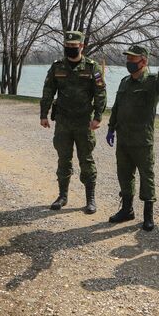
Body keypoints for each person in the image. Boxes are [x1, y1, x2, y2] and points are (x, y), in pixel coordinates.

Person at [106, 45, 159, 231]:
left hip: (142, 140)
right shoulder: (124, 81)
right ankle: (127, 210)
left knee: (146, 176)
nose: (129, 62)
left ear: (143, 61)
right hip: (123, 138)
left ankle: (148, 216)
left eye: (133, 59)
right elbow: (117, 106)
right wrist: (111, 128)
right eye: (128, 59)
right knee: (124, 175)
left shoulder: (152, 82)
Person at [39, 31, 107, 214]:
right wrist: (43, 114)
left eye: (73, 46)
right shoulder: (57, 66)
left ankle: (90, 199)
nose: (70, 49)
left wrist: (98, 117)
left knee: (86, 160)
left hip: (84, 122)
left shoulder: (92, 67)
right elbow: (48, 90)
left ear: (81, 46)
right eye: (67, 46)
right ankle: (62, 196)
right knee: (63, 159)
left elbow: (100, 93)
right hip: (63, 121)